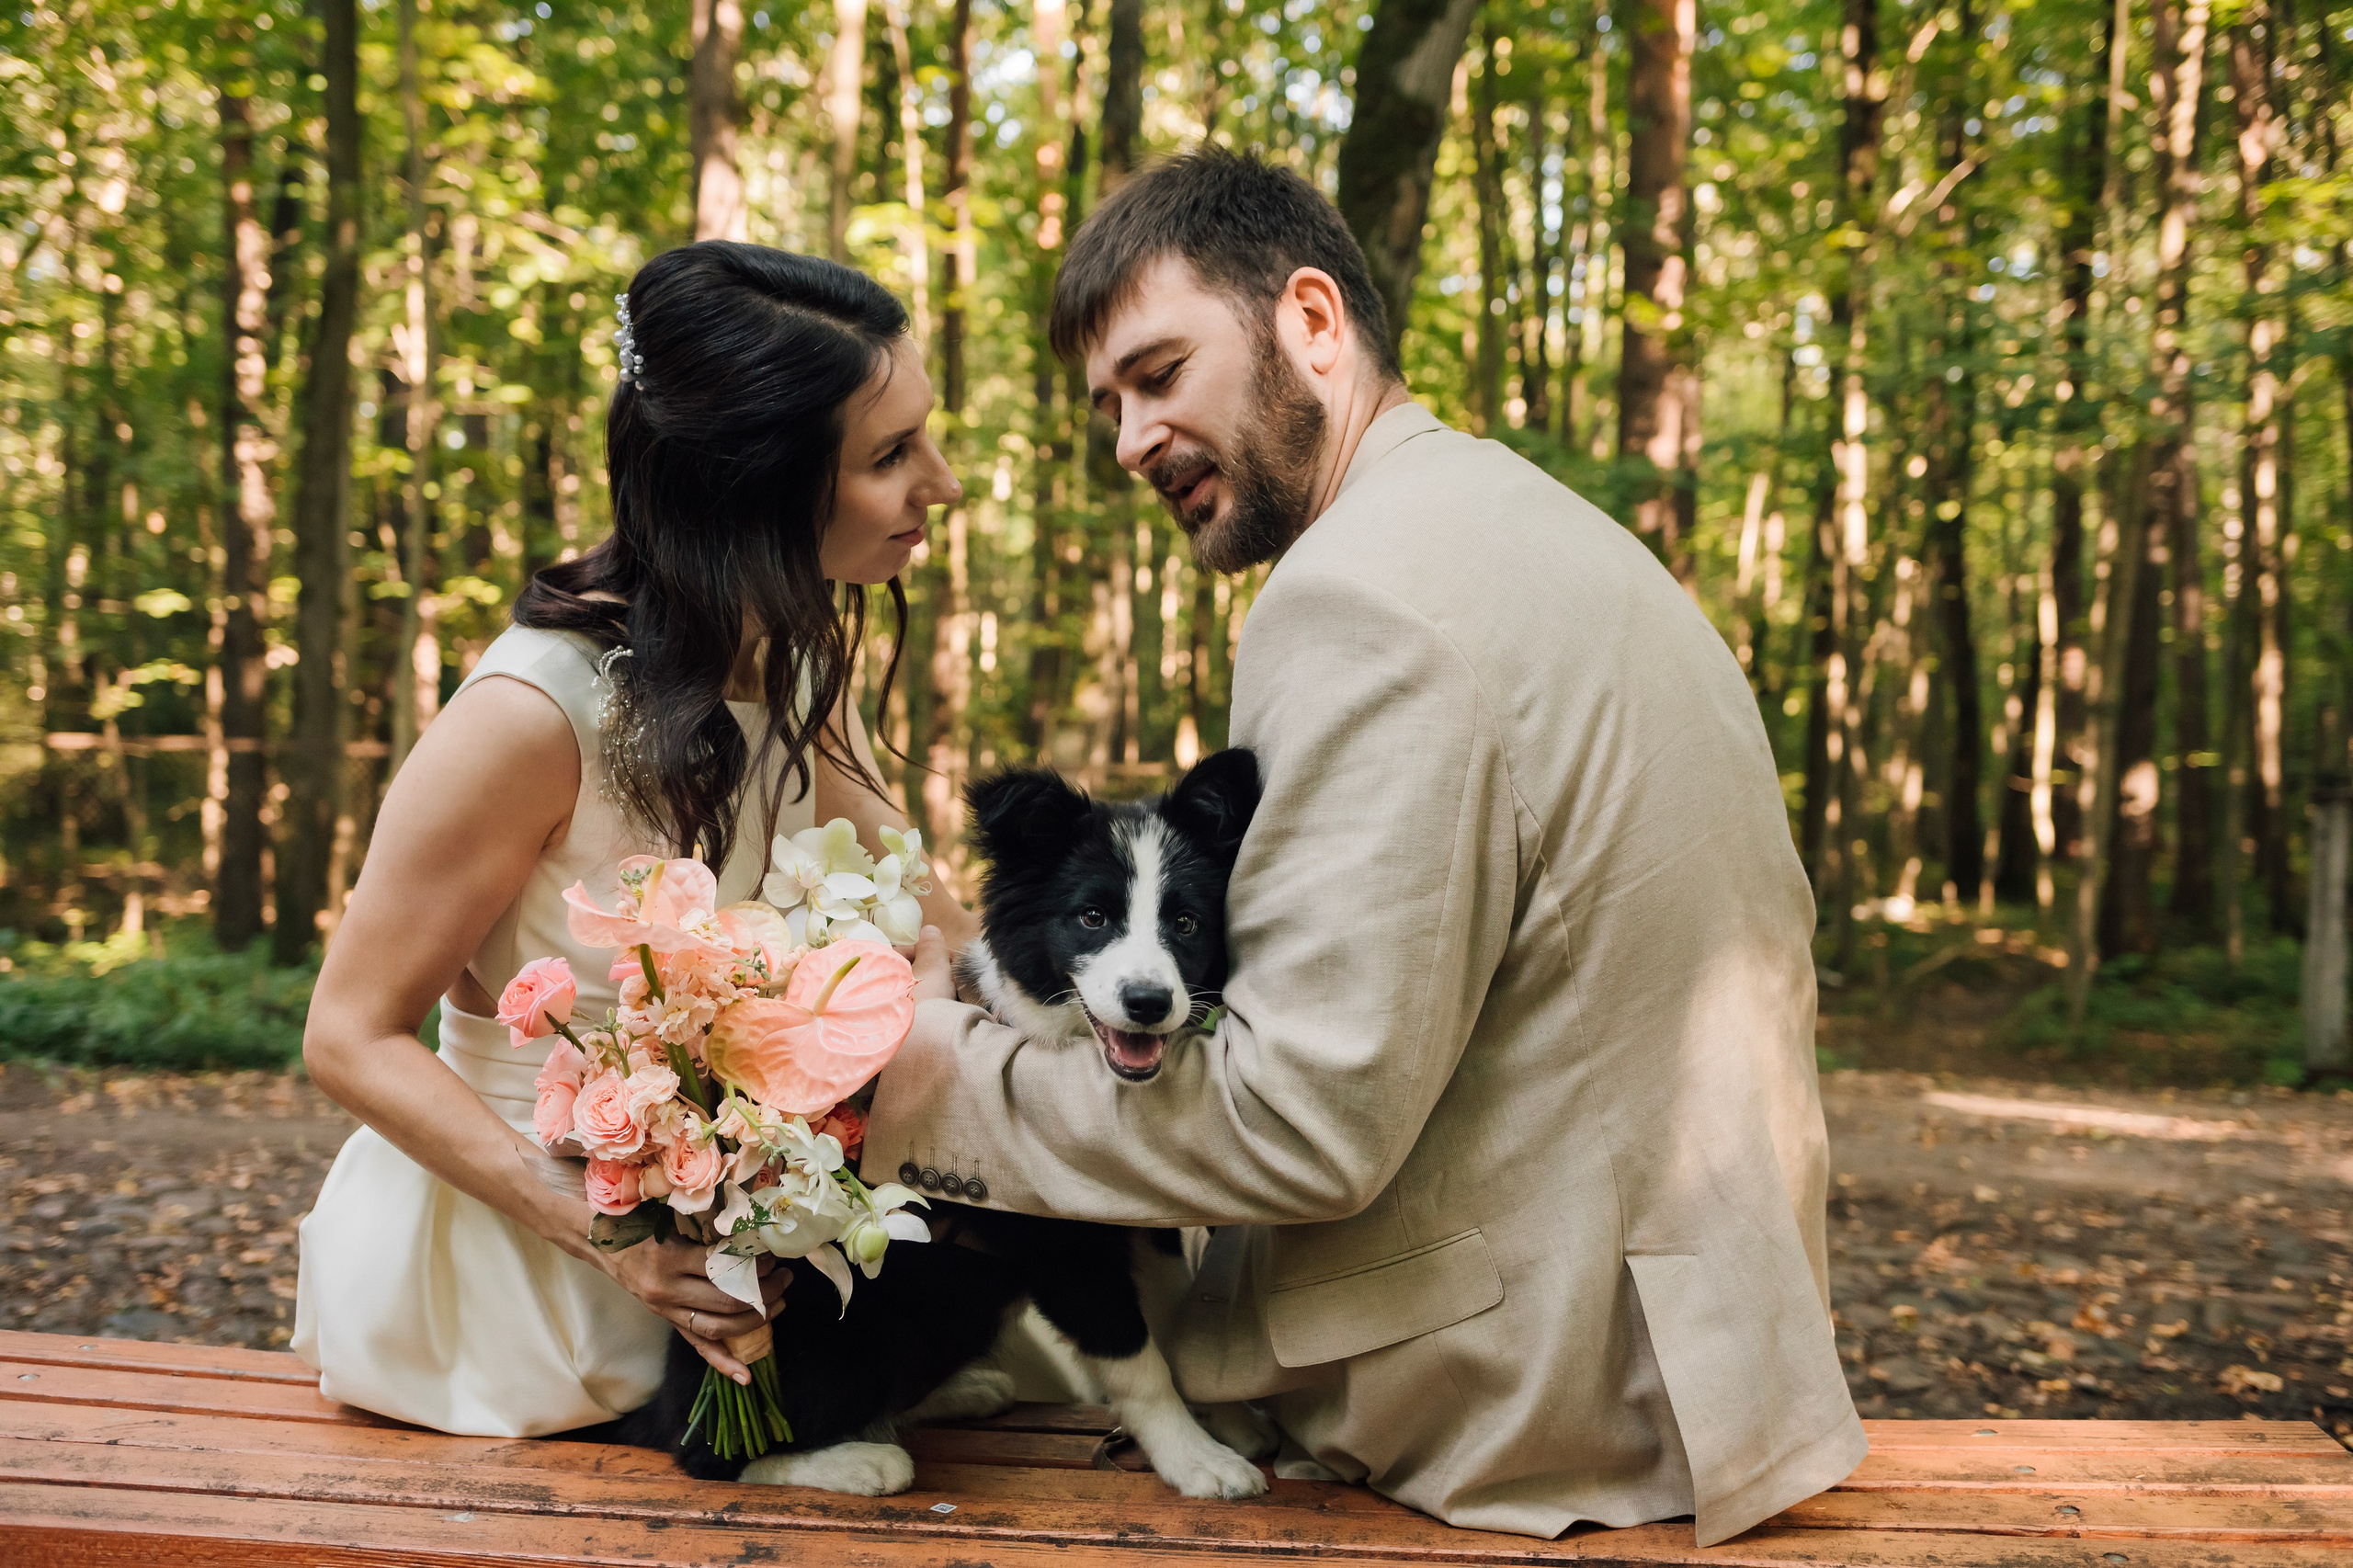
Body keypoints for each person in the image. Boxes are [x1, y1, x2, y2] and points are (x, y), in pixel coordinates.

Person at [868, 150, 1866, 1545]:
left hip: (1524, 1402)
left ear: (1313, 323)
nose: (1128, 442)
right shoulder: (1527, 523)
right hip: (1697, 1349)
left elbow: (1302, 1121)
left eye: (1159, 374)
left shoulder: (1360, 603)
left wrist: (912, 1076)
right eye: (1109, 406)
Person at [293, 243, 972, 1437]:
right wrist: (609, 1232)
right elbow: (347, 1034)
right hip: (524, 1291)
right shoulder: (530, 715)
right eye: (891, 455)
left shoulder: (801, 657)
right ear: (754, 488)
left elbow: (935, 920)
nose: (945, 483)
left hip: (756, 1268)